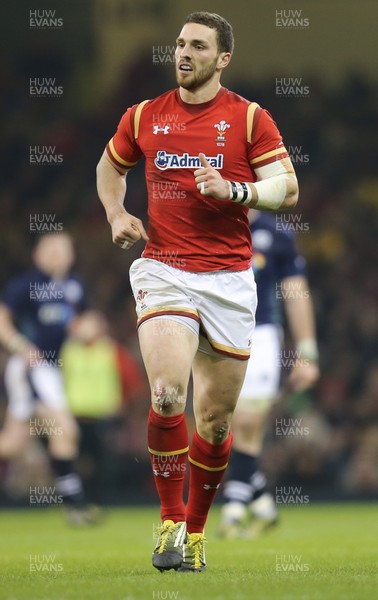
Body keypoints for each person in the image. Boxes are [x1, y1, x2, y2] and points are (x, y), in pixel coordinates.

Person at [96, 11, 298, 572]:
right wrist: (116, 211)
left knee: (215, 422)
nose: (183, 53)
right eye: (180, 43)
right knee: (166, 394)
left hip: (230, 280)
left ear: (222, 58)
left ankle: (198, 531)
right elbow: (109, 167)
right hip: (164, 268)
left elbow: (288, 188)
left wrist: (234, 189)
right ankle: (169, 523)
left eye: (198, 46)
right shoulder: (144, 116)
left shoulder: (249, 118)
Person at [219, 211, 320, 538]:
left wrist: (306, 353)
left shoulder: (275, 232)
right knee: (218, 424)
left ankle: (233, 511)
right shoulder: (209, 221)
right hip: (216, 335)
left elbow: (296, 292)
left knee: (248, 421)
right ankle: (263, 507)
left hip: (261, 336)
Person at [0, 233, 100, 525]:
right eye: (50, 249)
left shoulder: (75, 287)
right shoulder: (26, 285)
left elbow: (88, 323)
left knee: (14, 443)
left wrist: (88, 328)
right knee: (65, 429)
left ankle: (73, 505)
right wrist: (19, 345)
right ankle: (75, 505)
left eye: (62, 249)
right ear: (37, 255)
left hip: (52, 371)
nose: (57, 255)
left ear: (71, 255)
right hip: (32, 368)